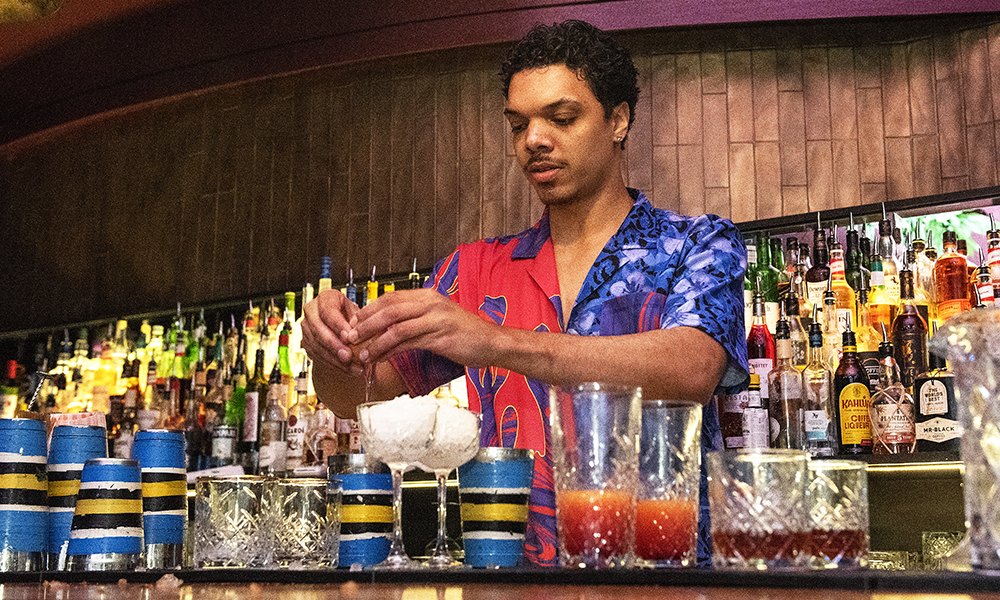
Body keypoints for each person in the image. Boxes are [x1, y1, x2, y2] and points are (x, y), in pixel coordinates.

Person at [301, 19, 749, 567]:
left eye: (561, 118)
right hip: (513, 575)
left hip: (664, 576)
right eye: (518, 125)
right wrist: (331, 348)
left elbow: (692, 368)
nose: (534, 140)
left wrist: (494, 342)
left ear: (618, 119)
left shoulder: (698, 244)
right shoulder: (475, 271)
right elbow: (361, 396)